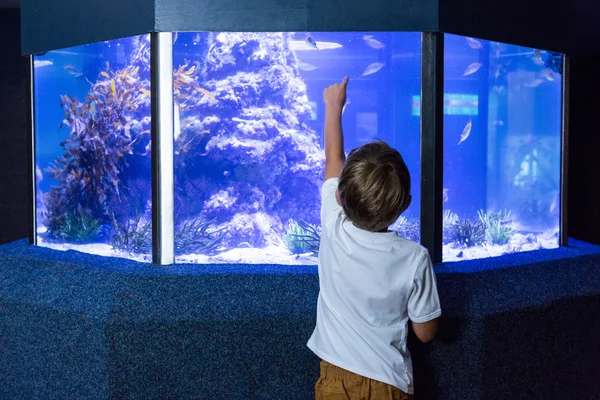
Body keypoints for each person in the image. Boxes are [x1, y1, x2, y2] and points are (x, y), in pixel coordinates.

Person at [307, 77, 441, 399]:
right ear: (405, 205)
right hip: (388, 383)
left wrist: (333, 106)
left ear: (338, 198)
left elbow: (332, 161)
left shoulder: (333, 226)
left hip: (334, 379)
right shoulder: (414, 258)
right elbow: (425, 332)